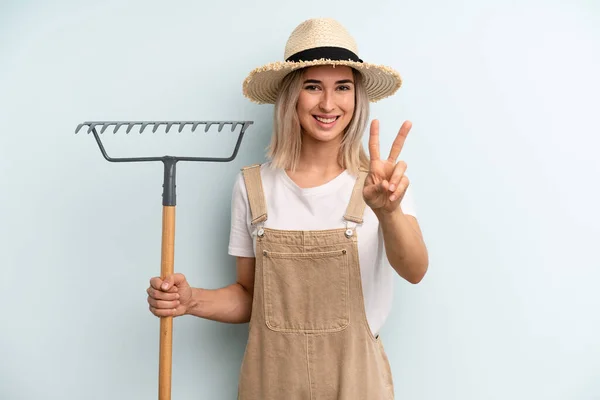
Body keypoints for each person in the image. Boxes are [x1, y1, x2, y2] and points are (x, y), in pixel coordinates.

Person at [146, 17, 429, 399]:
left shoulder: (381, 184)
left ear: (356, 97)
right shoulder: (254, 186)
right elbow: (251, 295)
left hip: (357, 381)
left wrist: (389, 212)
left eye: (342, 87)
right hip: (271, 382)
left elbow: (414, 271)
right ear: (291, 96)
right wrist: (189, 299)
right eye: (313, 86)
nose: (328, 104)